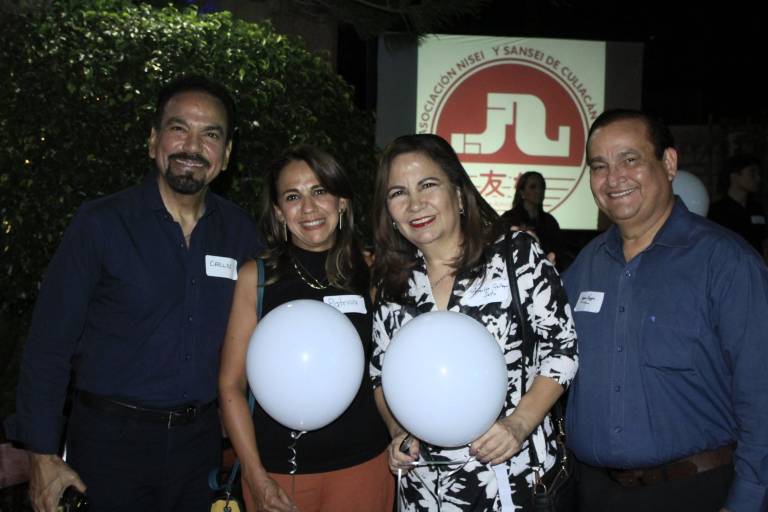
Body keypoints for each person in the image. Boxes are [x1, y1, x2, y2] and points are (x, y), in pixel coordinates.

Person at [3, 75, 261, 511]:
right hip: (108, 448)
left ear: (227, 154)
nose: (192, 146)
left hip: (198, 450)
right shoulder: (100, 224)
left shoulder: (240, 234)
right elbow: (48, 346)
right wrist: (42, 454)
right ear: (153, 140)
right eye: (178, 128)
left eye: (210, 134)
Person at [563, 109, 768, 511]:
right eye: (599, 166)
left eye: (630, 159)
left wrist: (746, 502)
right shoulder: (585, 265)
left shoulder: (727, 263)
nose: (613, 178)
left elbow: (761, 396)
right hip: (594, 494)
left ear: (669, 163)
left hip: (695, 494)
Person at [369, 134, 578, 511]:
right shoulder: (393, 284)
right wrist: (398, 431)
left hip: (513, 478)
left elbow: (563, 349)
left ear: (459, 194)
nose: (415, 204)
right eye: (398, 192)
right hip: (425, 490)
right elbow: (380, 375)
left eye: (427, 185)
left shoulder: (515, 255)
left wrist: (519, 424)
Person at [218, 145, 393, 512]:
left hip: (363, 465)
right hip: (276, 473)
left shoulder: (372, 273)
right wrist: (254, 474)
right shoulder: (257, 278)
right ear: (278, 212)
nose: (309, 208)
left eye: (320, 191)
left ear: (342, 202)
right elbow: (231, 384)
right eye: (293, 196)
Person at [708, 154, 767, 260]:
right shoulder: (717, 211)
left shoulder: (757, 208)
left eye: (758, 173)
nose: (758, 178)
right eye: (752, 173)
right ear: (734, 175)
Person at [500, 171, 562, 263]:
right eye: (533, 187)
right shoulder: (509, 218)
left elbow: (558, 252)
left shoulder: (550, 221)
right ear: (522, 192)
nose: (539, 191)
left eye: (542, 187)